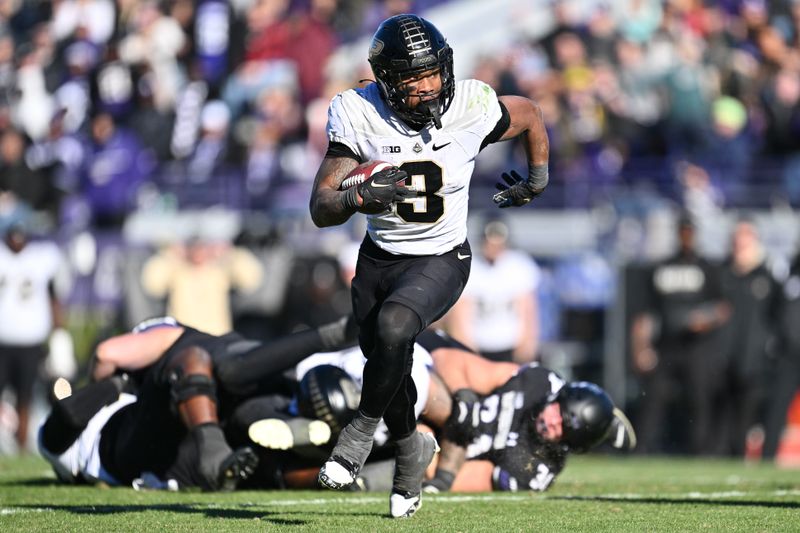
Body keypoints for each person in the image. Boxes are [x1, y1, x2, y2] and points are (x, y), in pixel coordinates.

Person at [308, 14, 550, 518]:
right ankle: (410, 448)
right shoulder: (358, 111)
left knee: (396, 328)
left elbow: (528, 113)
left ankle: (358, 433)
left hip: (442, 257)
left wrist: (536, 180)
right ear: (387, 82)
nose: (428, 88)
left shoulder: (470, 105)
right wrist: (357, 197)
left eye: (433, 74)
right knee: (386, 362)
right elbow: (321, 207)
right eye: (413, 79)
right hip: (379, 260)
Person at [37, 315, 356, 490]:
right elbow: (71, 408)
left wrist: (115, 383)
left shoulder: (67, 447)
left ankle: (329, 474)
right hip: (153, 449)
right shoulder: (69, 439)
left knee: (256, 460)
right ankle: (325, 348)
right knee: (201, 363)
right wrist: (118, 384)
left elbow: (99, 366)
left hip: (172, 464)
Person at [629, 216, 730, 455]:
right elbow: (644, 313)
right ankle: (641, 449)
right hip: (666, 344)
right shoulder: (662, 267)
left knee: (699, 399)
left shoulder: (707, 267)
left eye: (690, 232)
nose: (686, 236)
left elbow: (723, 307)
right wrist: (641, 348)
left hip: (697, 346)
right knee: (653, 397)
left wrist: (704, 321)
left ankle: (700, 451)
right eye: (683, 231)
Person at [0, 222, 68, 452]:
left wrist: (59, 331)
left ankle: (21, 445)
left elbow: (53, 295)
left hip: (30, 341)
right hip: (3, 340)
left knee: (25, 396)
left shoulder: (41, 259)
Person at [446, 219, 542, 363]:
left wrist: (527, 343)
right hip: (479, 345)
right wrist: (466, 349)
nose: (494, 247)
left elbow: (528, 309)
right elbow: (460, 313)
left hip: (510, 345)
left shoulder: (519, 265)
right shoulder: (471, 267)